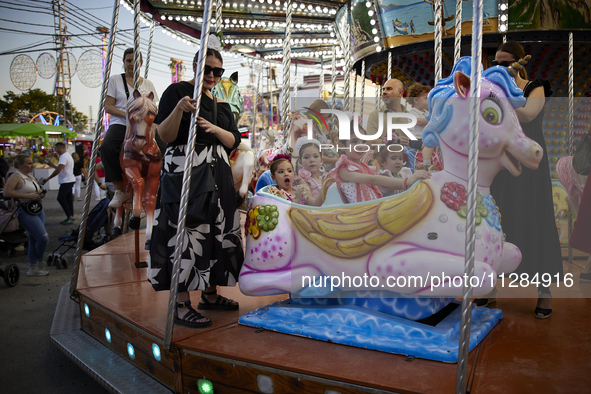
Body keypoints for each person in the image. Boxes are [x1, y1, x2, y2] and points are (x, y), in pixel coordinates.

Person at [148, 48, 243, 328]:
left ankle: (210, 294)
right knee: (187, 232)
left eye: (218, 71)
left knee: (217, 231)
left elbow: (233, 141)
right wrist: (179, 109)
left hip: (217, 171)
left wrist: (214, 129)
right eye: (207, 69)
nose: (212, 75)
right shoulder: (177, 92)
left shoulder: (222, 106)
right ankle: (180, 303)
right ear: (195, 66)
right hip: (185, 169)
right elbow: (163, 135)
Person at [489, 41, 562, 319]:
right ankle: (490, 287)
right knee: (499, 219)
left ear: (520, 62)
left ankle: (544, 291)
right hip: (503, 160)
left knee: (536, 218)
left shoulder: (535, 87)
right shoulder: (494, 91)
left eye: (506, 62)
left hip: (530, 163)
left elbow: (529, 114)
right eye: (496, 63)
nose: (501, 67)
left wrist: (499, 100)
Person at [100, 48, 159, 208]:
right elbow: (108, 106)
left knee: (163, 145)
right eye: (128, 60)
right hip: (121, 123)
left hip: (143, 126)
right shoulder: (115, 80)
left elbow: (154, 107)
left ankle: (161, 181)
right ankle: (119, 189)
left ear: (140, 63)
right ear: (124, 62)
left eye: (135, 61)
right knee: (106, 147)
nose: (131, 64)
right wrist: (128, 116)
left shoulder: (147, 84)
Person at [328, 134, 430, 204]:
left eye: (363, 141)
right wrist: (407, 181)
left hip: (370, 208)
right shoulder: (344, 169)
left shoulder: (364, 167)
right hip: (361, 212)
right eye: (354, 141)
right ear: (342, 146)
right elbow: (373, 179)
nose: (360, 145)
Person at [3, 154, 49, 276]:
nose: (31, 165)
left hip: (37, 208)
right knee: (43, 237)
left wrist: (40, 193)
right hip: (24, 210)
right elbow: (7, 193)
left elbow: (35, 191)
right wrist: (28, 196)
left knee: (33, 238)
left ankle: (32, 268)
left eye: (31, 163)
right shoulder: (16, 176)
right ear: (19, 165)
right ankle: (40, 261)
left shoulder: (30, 177)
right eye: (28, 163)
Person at [366, 78, 411, 144]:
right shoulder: (375, 115)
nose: (384, 92)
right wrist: (394, 141)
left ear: (400, 93)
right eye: (383, 89)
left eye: (389, 89)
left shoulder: (410, 117)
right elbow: (370, 142)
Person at [42, 142, 76, 224]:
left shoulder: (63, 156)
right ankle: (70, 215)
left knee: (61, 198)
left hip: (66, 181)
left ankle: (70, 216)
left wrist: (48, 178)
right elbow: (61, 168)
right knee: (68, 199)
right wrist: (53, 165)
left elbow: (59, 169)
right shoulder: (67, 155)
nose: (56, 150)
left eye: (56, 148)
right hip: (69, 179)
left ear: (60, 148)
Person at [294, 138, 326, 206]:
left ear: (321, 160)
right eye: (306, 157)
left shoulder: (323, 178)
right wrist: (325, 187)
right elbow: (313, 204)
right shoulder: (303, 181)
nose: (312, 160)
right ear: (300, 162)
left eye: (315, 156)